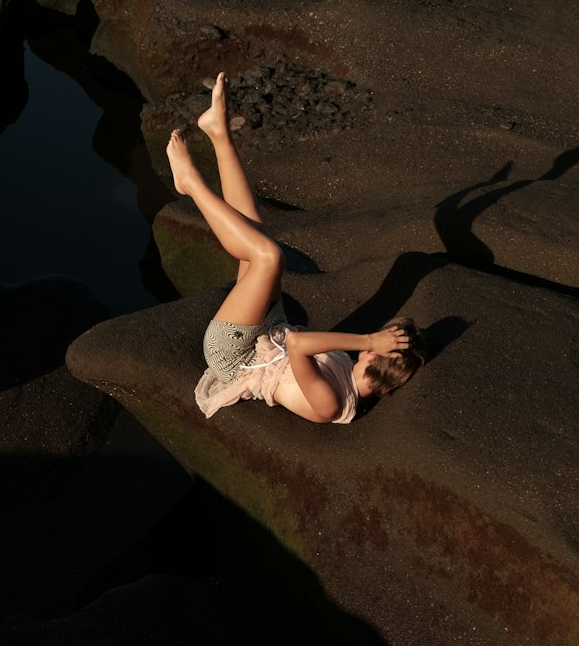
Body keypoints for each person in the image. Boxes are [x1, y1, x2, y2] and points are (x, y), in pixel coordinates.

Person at [165, 73, 424, 425]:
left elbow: (299, 347)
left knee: (269, 256)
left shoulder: (332, 404)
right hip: (270, 328)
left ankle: (191, 183)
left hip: (234, 355)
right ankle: (219, 133)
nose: (371, 344)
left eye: (378, 345)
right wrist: (372, 341)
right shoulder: (347, 370)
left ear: (378, 359)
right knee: (255, 232)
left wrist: (369, 338)